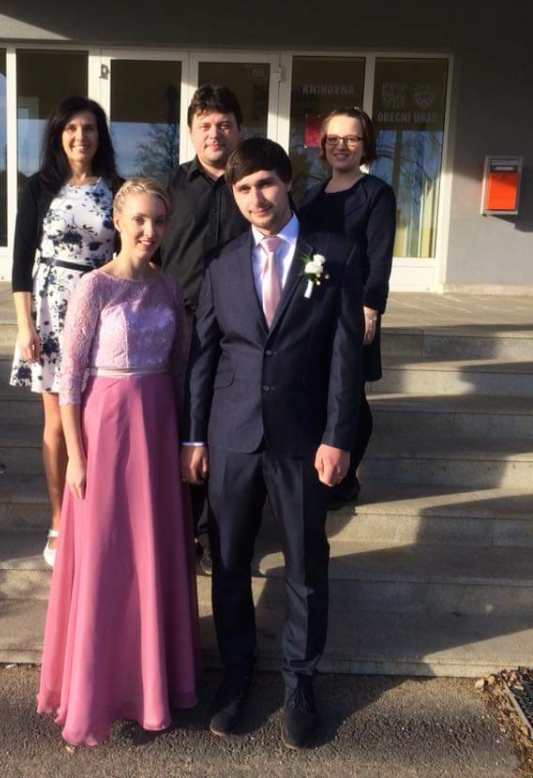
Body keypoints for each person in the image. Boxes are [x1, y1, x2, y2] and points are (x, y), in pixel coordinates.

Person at [180, 138, 363, 749]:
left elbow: (344, 358)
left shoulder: (333, 254)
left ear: (287, 183)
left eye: (264, 183)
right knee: (229, 561)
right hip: (231, 436)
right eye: (242, 188)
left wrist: (338, 437)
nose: (255, 198)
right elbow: (204, 355)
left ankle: (300, 682)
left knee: (306, 564)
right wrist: (194, 436)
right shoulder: (222, 262)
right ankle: (236, 673)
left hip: (302, 439)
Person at [37, 179, 199, 747]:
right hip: (105, 429)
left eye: (159, 221)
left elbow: (180, 366)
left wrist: (183, 438)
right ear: (119, 221)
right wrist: (76, 456)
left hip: (157, 425)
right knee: (106, 556)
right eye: (140, 220)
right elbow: (69, 378)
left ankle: (152, 682)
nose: (150, 231)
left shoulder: (169, 286)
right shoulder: (94, 287)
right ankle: (95, 690)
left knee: (153, 551)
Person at [10, 96, 122, 567]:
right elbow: (21, 261)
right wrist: (25, 327)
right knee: (57, 422)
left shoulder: (118, 188)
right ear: (58, 134)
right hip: (51, 310)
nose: (81, 137)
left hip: (104, 307)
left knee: (97, 418)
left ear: (101, 136)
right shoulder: (38, 187)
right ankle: (59, 520)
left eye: (89, 128)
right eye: (72, 128)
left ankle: (95, 514)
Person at [159, 84, 249, 574]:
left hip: (240, 331)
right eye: (205, 125)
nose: (215, 133)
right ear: (191, 132)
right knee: (185, 426)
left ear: (239, 129)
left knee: (225, 429)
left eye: (224, 124)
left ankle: (218, 536)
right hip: (183, 327)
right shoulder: (170, 188)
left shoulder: (252, 186)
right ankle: (185, 531)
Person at [301, 107, 396, 509]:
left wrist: (371, 307)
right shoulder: (312, 195)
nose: (341, 146)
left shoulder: (376, 194)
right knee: (326, 388)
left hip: (354, 308)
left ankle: (345, 479)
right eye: (333, 138)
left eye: (351, 138)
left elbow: (379, 257)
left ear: (365, 145)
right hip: (316, 307)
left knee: (352, 394)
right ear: (323, 145)